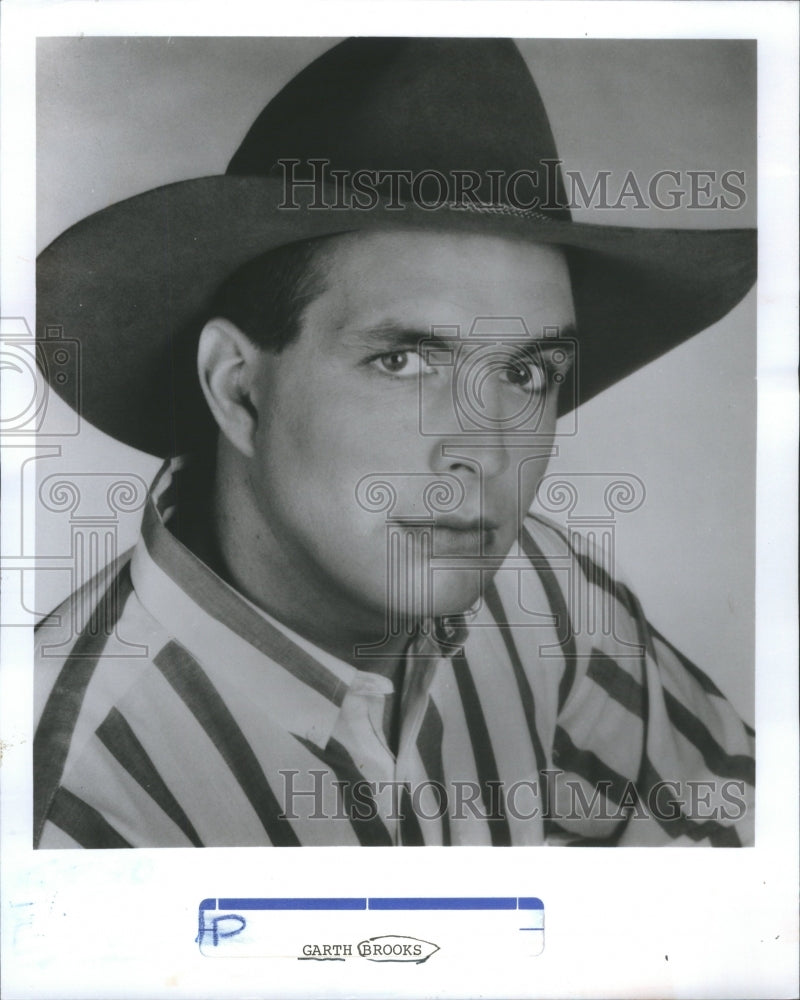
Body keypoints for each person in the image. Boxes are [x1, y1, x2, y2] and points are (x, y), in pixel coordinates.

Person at [33, 37, 756, 848]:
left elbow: (747, 847)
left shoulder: (540, 596)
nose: (482, 455)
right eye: (404, 361)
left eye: (525, 374)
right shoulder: (71, 804)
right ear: (239, 388)